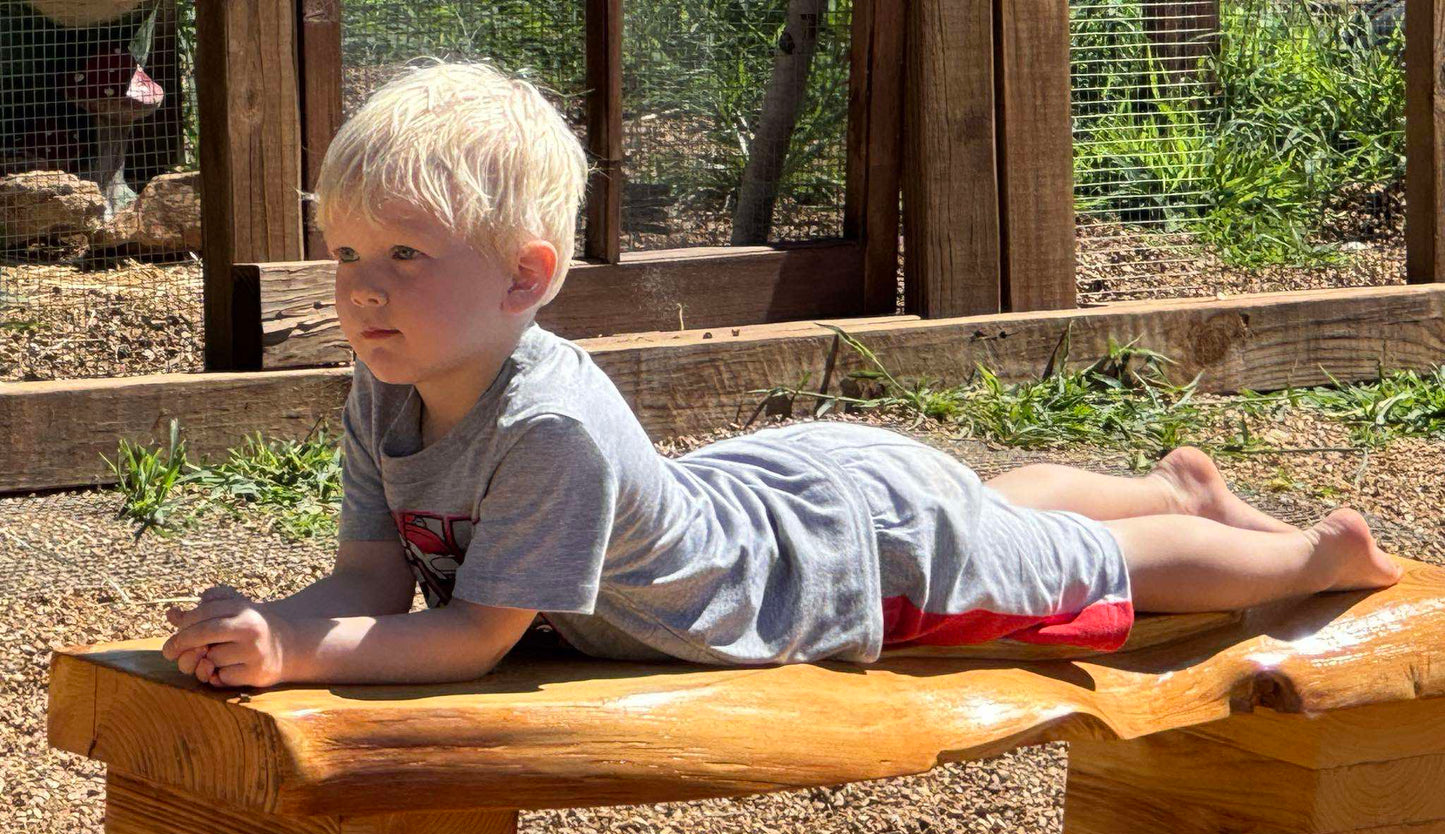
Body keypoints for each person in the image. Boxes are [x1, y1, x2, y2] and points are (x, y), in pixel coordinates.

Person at [159, 61, 1401, 689]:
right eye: (345, 253)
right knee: (992, 513)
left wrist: (296, 651)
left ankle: (1301, 556)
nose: (362, 286)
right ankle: (1171, 485)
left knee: (1076, 571)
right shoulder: (388, 387)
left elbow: (473, 638)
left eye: (405, 254)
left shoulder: (549, 429)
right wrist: (267, 626)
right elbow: (373, 582)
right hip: (786, 494)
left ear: (527, 277)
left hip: (836, 566)